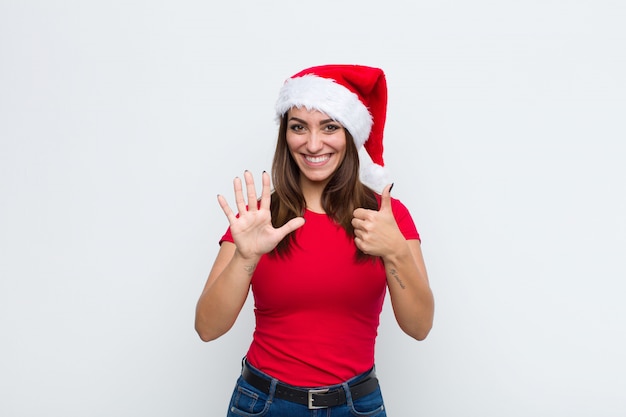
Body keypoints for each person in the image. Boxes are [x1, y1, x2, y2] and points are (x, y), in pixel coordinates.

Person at [195, 64, 434, 416]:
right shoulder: (259, 218)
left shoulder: (387, 217)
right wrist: (245, 257)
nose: (313, 143)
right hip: (264, 404)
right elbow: (207, 328)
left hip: (356, 405)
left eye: (330, 127)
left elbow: (419, 327)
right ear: (286, 135)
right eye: (298, 128)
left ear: (350, 133)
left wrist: (395, 251)